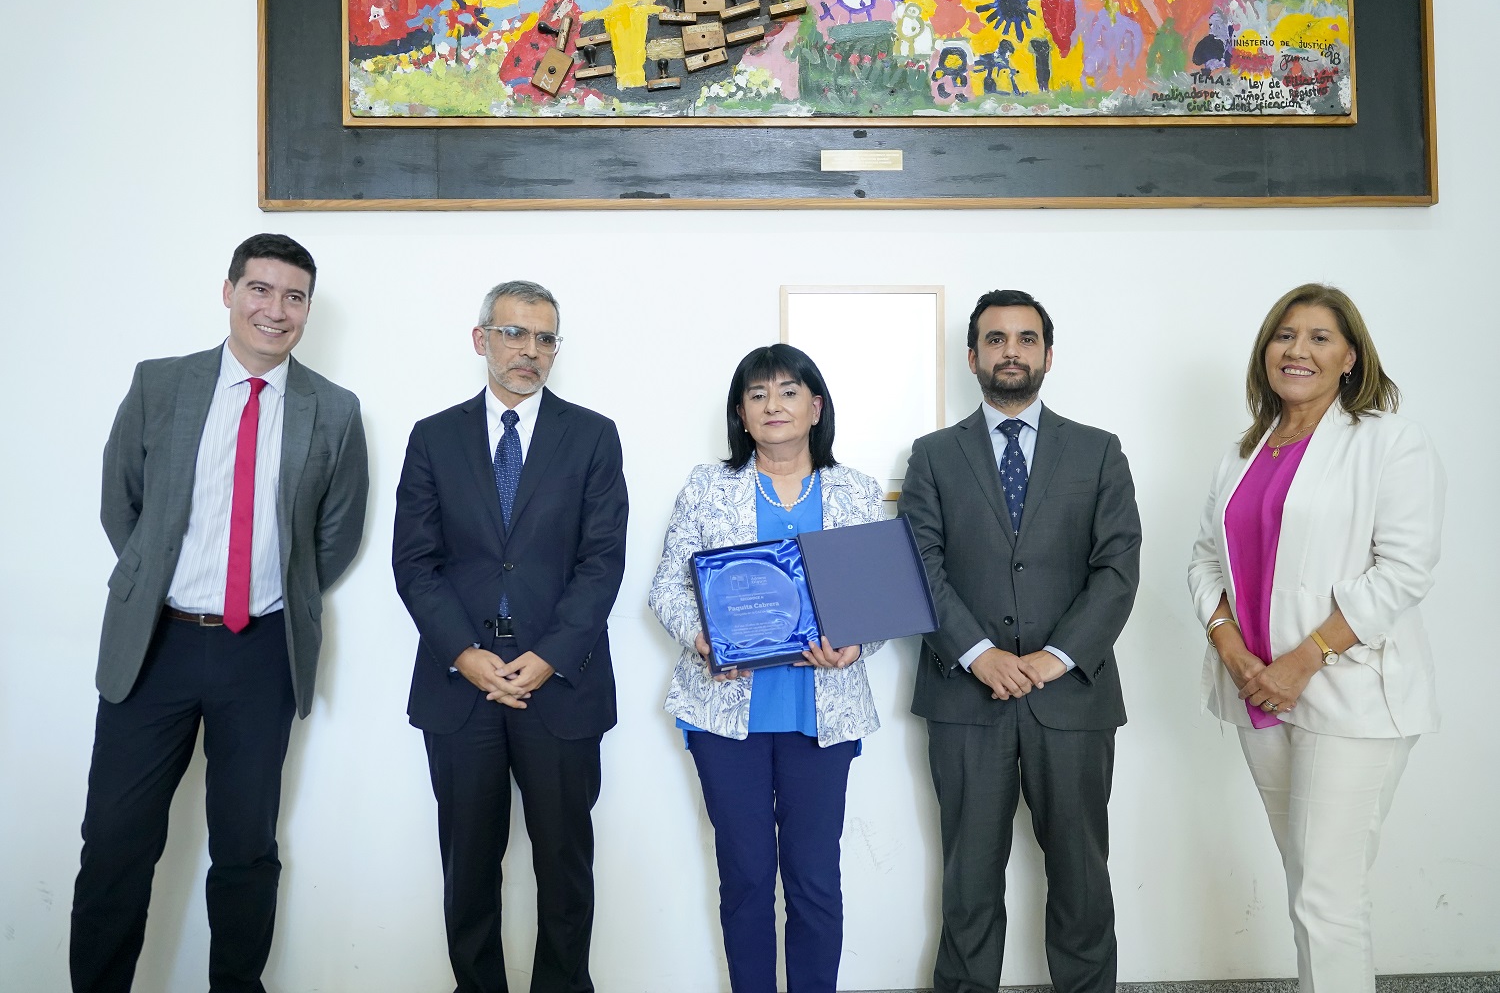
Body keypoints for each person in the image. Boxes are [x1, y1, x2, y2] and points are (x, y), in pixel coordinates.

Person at [70, 233, 370, 993]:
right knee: (115, 844)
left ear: (306, 309)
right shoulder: (160, 386)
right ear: (230, 291)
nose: (275, 310)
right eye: (260, 290)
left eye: (293, 296)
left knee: (245, 849)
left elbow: (335, 535)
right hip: (155, 647)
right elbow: (122, 503)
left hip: (260, 652)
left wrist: (272, 599)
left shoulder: (333, 411)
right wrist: (153, 582)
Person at [1187, 283, 1444, 992]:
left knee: (1328, 897)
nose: (1297, 349)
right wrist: (1230, 647)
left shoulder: (1390, 442)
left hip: (1351, 694)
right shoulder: (1244, 453)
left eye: (1319, 337)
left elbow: (1403, 571)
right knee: (1306, 881)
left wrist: (1303, 660)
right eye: (1284, 335)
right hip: (1257, 694)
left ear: (1351, 360)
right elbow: (1206, 559)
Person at [898, 289, 1141, 993]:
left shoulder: (1098, 452)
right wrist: (980, 654)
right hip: (964, 699)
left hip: (1072, 699)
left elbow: (1117, 568)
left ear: (1048, 355)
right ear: (972, 356)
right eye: (996, 339)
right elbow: (921, 565)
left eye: (1026, 339)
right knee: (969, 883)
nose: (1012, 351)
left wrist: (1053, 657)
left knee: (1080, 879)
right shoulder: (934, 456)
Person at [393, 280, 628, 993]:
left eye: (545, 338)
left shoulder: (592, 435)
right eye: (514, 334)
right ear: (481, 340)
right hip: (459, 686)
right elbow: (414, 561)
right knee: (468, 867)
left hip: (559, 685)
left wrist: (550, 655)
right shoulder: (433, 437)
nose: (530, 351)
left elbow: (601, 562)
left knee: (564, 866)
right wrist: (465, 655)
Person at [648, 344, 887, 993]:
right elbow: (668, 587)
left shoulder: (854, 490)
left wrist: (855, 644)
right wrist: (704, 641)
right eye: (757, 395)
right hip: (727, 717)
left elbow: (875, 604)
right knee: (747, 876)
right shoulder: (709, 487)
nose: (773, 405)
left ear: (815, 407)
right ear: (741, 415)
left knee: (814, 880)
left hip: (821, 715)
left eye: (788, 392)